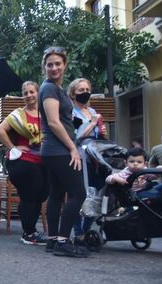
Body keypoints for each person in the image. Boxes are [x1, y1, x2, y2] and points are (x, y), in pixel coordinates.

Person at [38, 47, 89, 257]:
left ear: (64, 64)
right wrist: (72, 148)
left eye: (58, 63)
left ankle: (52, 240)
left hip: (53, 150)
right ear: (45, 67)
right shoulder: (49, 88)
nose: (54, 67)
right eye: (49, 64)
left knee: (57, 195)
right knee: (78, 194)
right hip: (58, 150)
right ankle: (63, 241)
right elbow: (53, 122)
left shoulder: (56, 88)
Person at [0, 81, 48, 245]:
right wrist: (13, 147)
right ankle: (29, 232)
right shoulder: (18, 114)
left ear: (38, 93)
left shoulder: (46, 113)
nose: (29, 95)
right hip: (24, 161)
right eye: (25, 93)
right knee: (30, 195)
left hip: (44, 160)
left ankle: (30, 231)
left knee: (42, 194)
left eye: (32, 92)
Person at [68, 78, 107, 244]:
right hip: (79, 155)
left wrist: (101, 131)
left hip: (95, 156)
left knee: (96, 192)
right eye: (80, 89)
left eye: (86, 89)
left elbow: (98, 134)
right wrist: (92, 124)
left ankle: (86, 230)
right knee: (78, 193)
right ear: (73, 93)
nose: (84, 92)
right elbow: (76, 135)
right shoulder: (71, 112)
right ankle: (78, 232)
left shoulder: (93, 111)